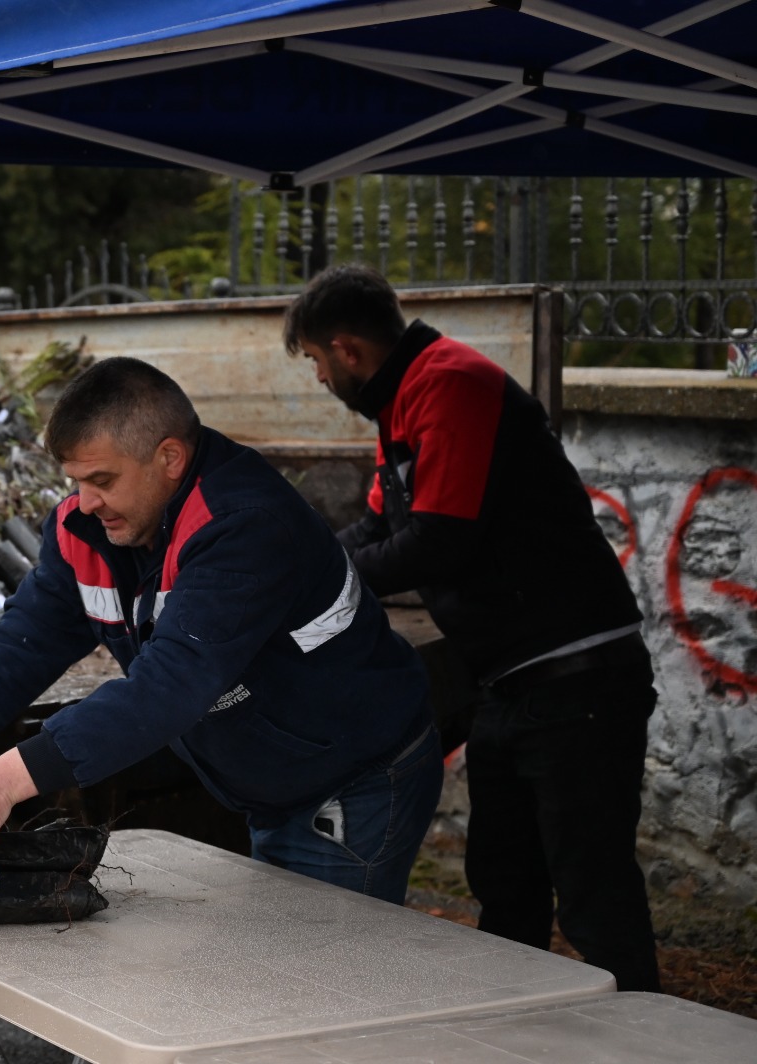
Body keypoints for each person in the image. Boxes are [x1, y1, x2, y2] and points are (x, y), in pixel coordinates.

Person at [0, 357, 441, 905]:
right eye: (75, 481)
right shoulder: (86, 528)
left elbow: (167, 687)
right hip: (278, 779)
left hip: (353, 778)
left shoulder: (245, 525)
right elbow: (15, 648)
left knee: (326, 993)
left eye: (103, 481)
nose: (85, 502)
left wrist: (5, 778)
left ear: (169, 457)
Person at [281, 264, 660, 991]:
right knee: (505, 886)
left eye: (316, 363)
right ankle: (515, 1034)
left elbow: (436, 541)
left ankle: (652, 1032)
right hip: (511, 686)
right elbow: (376, 525)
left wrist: (321, 585)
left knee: (593, 897)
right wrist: (301, 567)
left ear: (347, 349)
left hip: (575, 679)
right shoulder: (401, 404)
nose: (322, 380)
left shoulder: (450, 382)